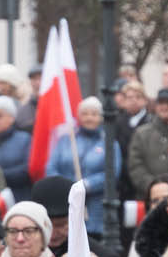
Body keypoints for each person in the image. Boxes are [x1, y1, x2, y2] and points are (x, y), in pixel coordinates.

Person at [48, 97, 117, 241]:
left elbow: (112, 174)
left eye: (94, 114)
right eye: (85, 113)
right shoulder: (66, 140)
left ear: (101, 117)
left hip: (95, 209)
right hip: (67, 204)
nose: (89, 118)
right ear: (78, 116)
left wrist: (86, 185)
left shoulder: (109, 142)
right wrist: (65, 186)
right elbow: (51, 167)